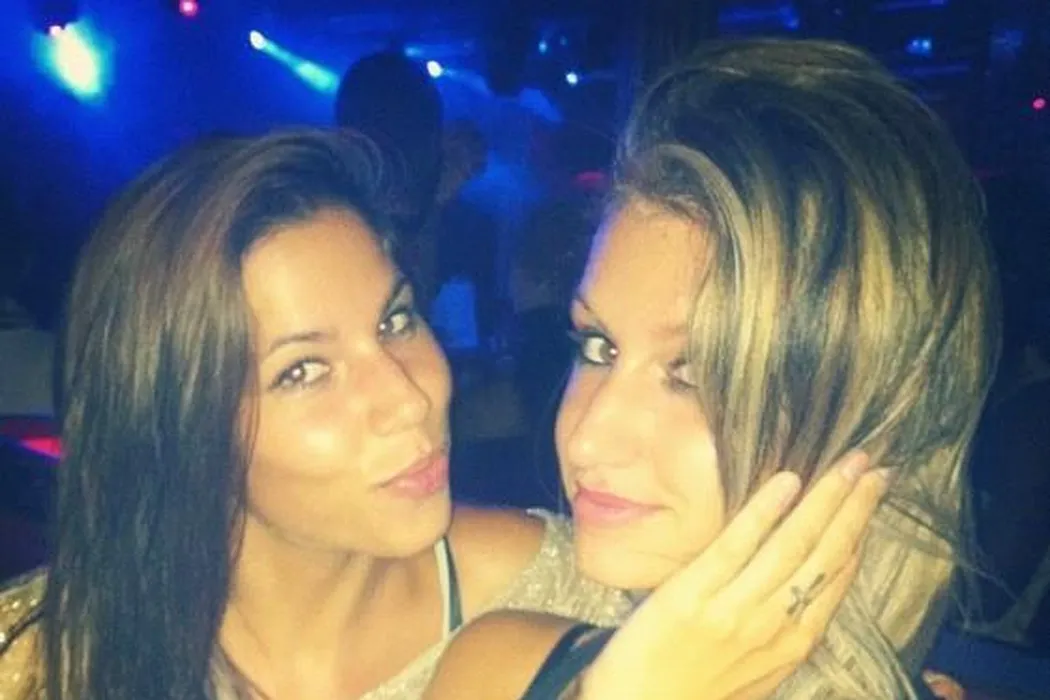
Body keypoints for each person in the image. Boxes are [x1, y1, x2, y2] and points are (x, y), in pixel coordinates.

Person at [0, 129, 874, 699]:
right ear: (176, 430)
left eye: (396, 321)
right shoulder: (44, 659)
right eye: (304, 370)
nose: (409, 395)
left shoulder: (585, 597)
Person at [424, 38, 998, 699]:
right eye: (599, 347)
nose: (587, 437)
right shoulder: (495, 668)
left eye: (693, 373)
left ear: (874, 417)